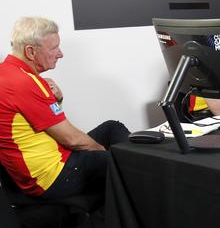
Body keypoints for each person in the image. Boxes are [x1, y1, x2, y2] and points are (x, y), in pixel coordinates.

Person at [0, 17, 130, 200]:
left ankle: (135, 161)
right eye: (53, 48)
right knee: (121, 165)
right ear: (30, 51)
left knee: (112, 128)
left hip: (50, 161)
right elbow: (72, 139)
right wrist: (104, 153)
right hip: (52, 178)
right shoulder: (23, 83)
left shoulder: (7, 72)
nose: (60, 54)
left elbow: (44, 124)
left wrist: (57, 99)